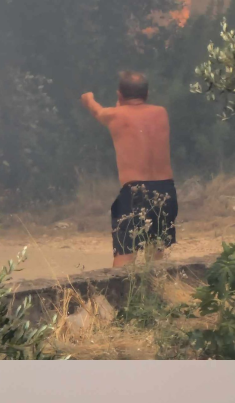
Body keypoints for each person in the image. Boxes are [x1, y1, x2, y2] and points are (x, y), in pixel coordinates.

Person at [81, 71, 178, 267]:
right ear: (147, 93)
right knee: (157, 256)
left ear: (119, 95)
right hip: (166, 190)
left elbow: (97, 111)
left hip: (136, 191)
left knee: (124, 256)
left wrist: (88, 98)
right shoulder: (161, 112)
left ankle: (123, 297)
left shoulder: (114, 114)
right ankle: (158, 295)